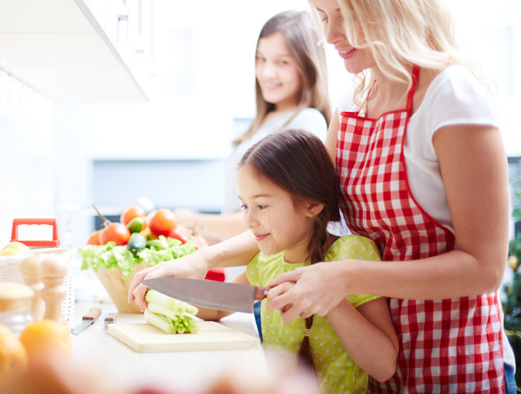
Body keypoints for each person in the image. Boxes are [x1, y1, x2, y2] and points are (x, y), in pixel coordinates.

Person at [130, 0, 514, 392]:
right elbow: (297, 214)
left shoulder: (451, 97)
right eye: (324, 17)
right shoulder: (356, 102)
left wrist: (344, 277)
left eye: (345, 16)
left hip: (451, 361)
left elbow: (484, 268)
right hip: (370, 371)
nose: (329, 36)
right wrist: (200, 260)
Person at [194, 129, 397, 393]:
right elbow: (219, 308)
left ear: (312, 205)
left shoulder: (351, 254)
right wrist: (158, 293)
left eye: (262, 206)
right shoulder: (268, 261)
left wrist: (329, 298)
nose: (248, 220)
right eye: (245, 206)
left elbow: (384, 366)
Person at [173, 10, 331, 245]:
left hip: (270, 273)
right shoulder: (263, 123)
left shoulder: (306, 122)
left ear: (307, 66)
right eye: (261, 59)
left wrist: (191, 220)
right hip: (243, 268)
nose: (267, 73)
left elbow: (271, 218)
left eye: (282, 62)